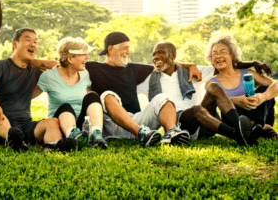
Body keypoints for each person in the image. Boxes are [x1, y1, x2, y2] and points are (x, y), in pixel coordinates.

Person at [31, 32, 203, 147]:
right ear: (111, 49)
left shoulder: (134, 68)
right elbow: (60, 63)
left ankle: (171, 132)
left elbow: (162, 64)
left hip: (136, 119)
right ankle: (140, 134)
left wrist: (190, 65)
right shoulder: (91, 67)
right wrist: (25, 59)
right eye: (125, 47)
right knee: (106, 94)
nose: (129, 51)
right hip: (111, 125)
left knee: (163, 98)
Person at [137, 42, 270, 148]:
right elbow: (128, 77)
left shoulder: (191, 71)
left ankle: (239, 127)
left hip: (204, 124)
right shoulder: (148, 79)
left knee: (214, 87)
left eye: (160, 53)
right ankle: (239, 136)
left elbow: (225, 65)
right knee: (197, 109)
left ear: (173, 55)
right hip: (179, 124)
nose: (155, 57)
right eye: (154, 54)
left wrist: (253, 63)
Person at [0, 28, 78, 153]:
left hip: (25, 127)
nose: (33, 44)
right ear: (15, 44)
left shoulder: (34, 71)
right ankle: (12, 137)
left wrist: (31, 60)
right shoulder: (2, 65)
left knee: (52, 122)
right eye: (28, 40)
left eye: (35, 42)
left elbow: (61, 67)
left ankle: (53, 146)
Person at [33, 37, 107, 149]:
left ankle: (95, 135)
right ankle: (73, 135)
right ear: (70, 59)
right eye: (83, 54)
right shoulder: (49, 76)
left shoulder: (84, 74)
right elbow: (27, 97)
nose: (87, 57)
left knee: (92, 96)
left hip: (81, 126)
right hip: (61, 124)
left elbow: (90, 104)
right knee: (66, 106)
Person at [205, 33, 278, 141]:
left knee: (264, 88)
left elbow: (275, 84)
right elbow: (215, 101)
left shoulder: (248, 73)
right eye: (214, 53)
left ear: (232, 55)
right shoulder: (211, 83)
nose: (218, 56)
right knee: (230, 107)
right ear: (211, 59)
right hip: (235, 119)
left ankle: (255, 126)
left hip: (258, 111)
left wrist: (263, 96)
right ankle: (263, 127)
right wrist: (238, 100)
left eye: (223, 52)